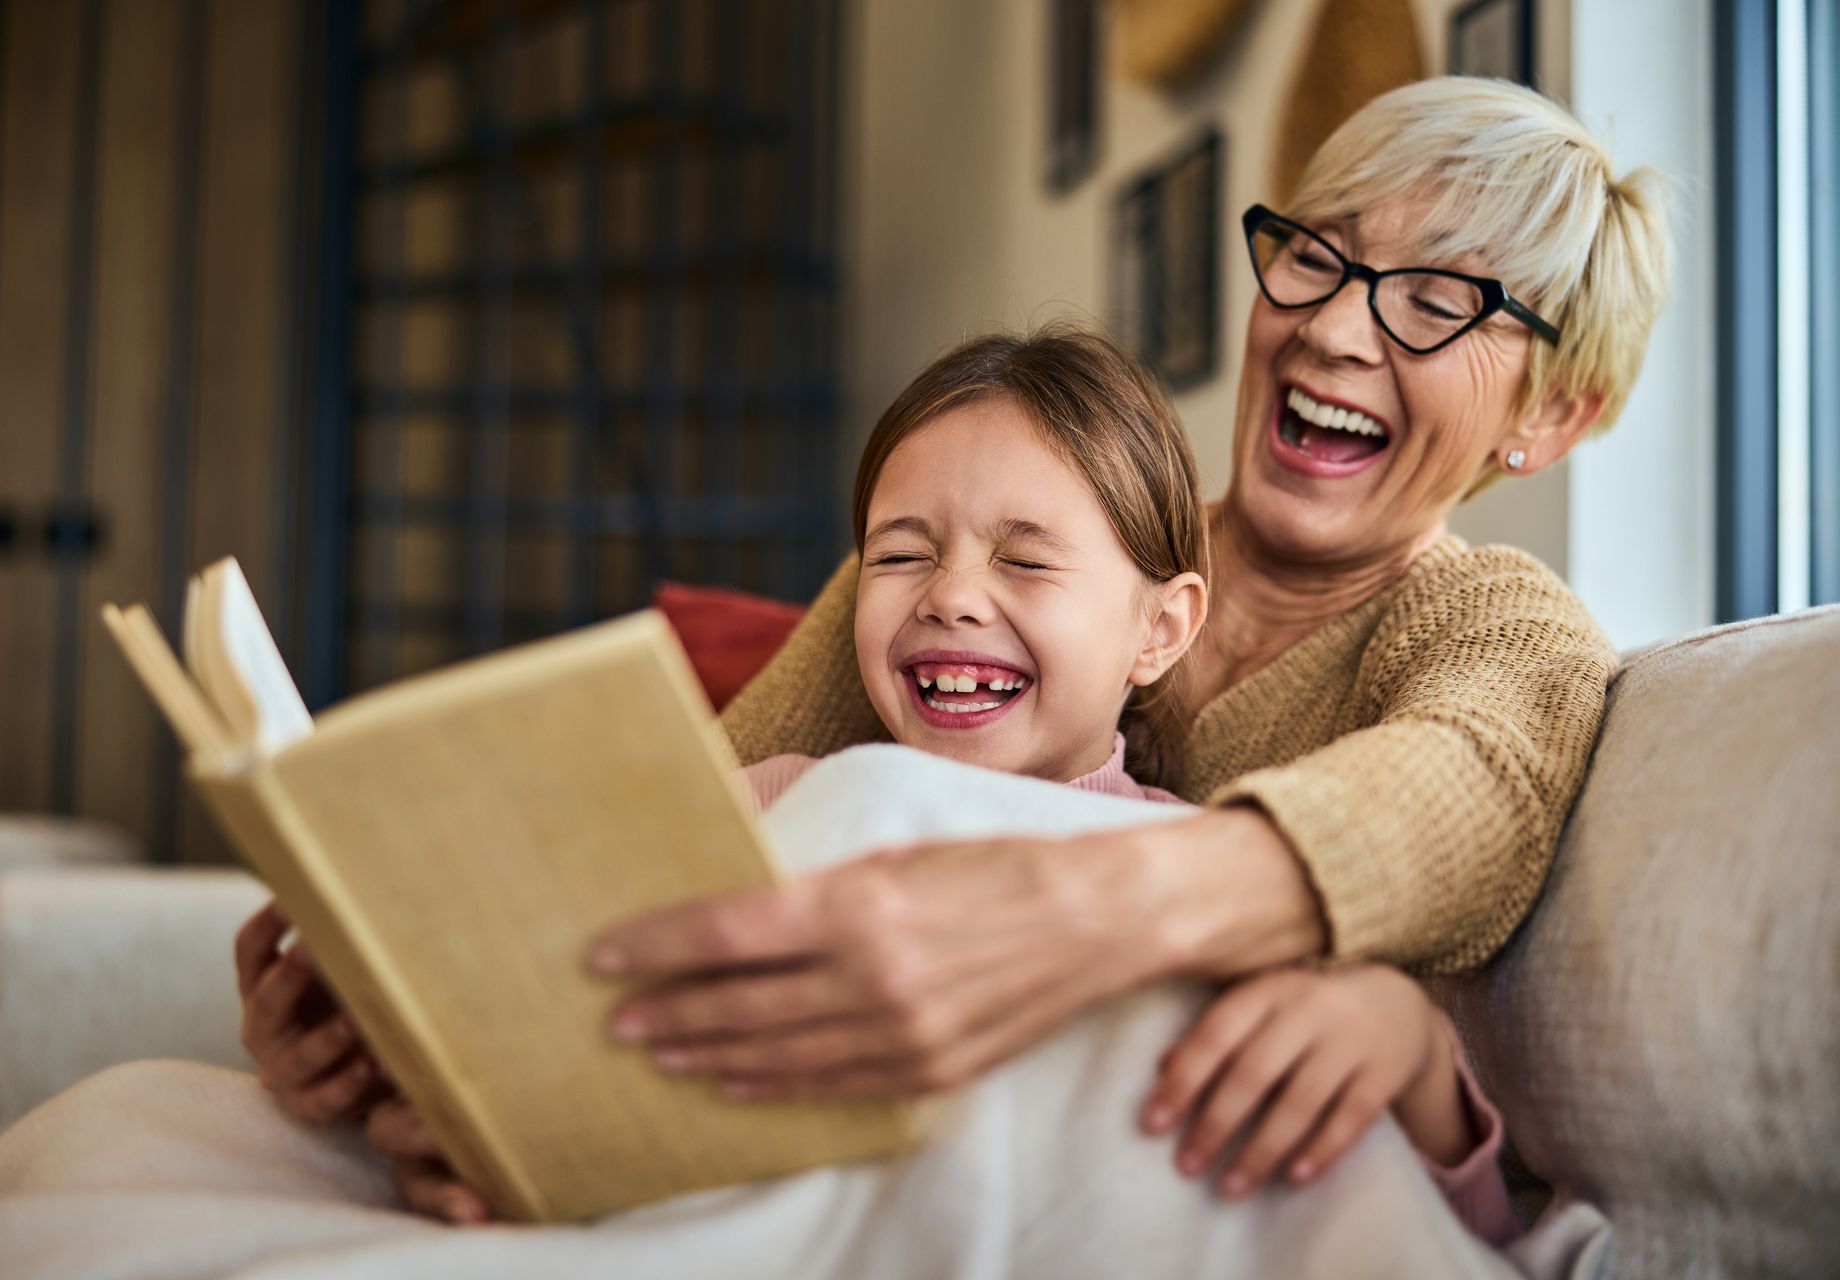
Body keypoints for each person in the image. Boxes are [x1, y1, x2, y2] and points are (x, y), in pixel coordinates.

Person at [240, 74, 1670, 1226]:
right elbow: (705, 823)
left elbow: (1466, 790)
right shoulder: (994, 536)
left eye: (1441, 300)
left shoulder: (1496, 626)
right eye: (1321, 253)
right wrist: (420, 1035)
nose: (1340, 327)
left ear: (1553, 415)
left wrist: (1087, 914)